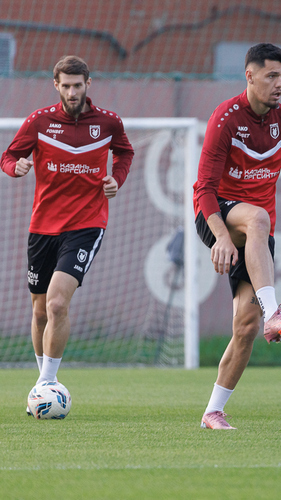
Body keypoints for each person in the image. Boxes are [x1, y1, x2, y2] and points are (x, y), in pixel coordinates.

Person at [193, 43, 281, 429]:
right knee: (258, 217)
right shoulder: (226, 118)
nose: (279, 84)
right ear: (250, 76)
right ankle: (275, 314)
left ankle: (213, 411)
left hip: (256, 233)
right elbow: (204, 188)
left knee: (245, 327)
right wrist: (222, 238)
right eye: (271, 76)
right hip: (218, 216)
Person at [1, 55, 134, 412]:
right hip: (43, 226)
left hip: (87, 224)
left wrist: (116, 179)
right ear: (56, 86)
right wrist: (17, 167)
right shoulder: (39, 122)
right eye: (66, 86)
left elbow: (125, 153)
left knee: (58, 303)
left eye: (78, 85)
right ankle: (42, 383)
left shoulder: (108, 123)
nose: (72, 92)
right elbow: (8, 156)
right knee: (40, 311)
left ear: (88, 84)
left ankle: (47, 383)